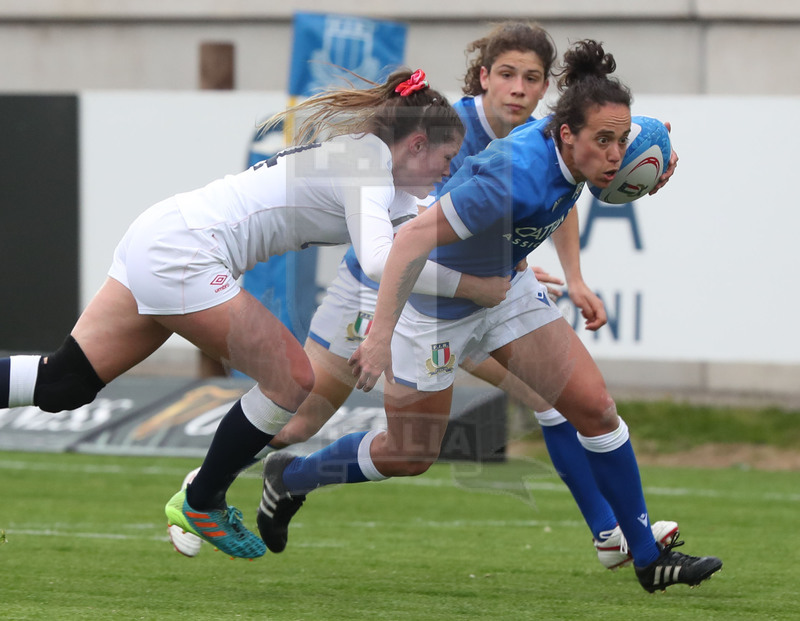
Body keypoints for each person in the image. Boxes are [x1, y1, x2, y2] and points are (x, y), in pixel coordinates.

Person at [168, 22, 678, 567]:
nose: (519, 89)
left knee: (551, 400)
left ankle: (608, 533)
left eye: (532, 78)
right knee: (300, 422)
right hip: (378, 286)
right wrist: (488, 272)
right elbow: (415, 235)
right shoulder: (451, 131)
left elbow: (554, 198)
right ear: (483, 78)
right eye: (507, 74)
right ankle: (207, 483)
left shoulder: (552, 136)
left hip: (463, 295)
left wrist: (575, 266)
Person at [0, 69, 516, 559]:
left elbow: (412, 253)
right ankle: (201, 501)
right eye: (446, 159)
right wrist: (474, 286)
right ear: (418, 144)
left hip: (162, 232)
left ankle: (200, 496)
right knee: (294, 378)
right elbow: (385, 261)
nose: (447, 172)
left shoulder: (382, 176)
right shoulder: (368, 166)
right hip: (186, 252)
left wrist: (504, 280)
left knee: (62, 384)